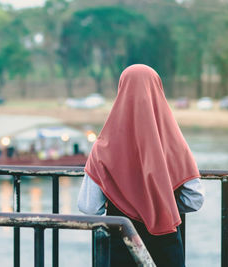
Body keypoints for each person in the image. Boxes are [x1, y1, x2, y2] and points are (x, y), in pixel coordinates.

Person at [77, 64, 204, 267]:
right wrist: (160, 206)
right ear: (158, 91)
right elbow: (194, 199)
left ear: (120, 92)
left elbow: (89, 207)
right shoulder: (176, 145)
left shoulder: (102, 148)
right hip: (167, 248)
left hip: (121, 246)